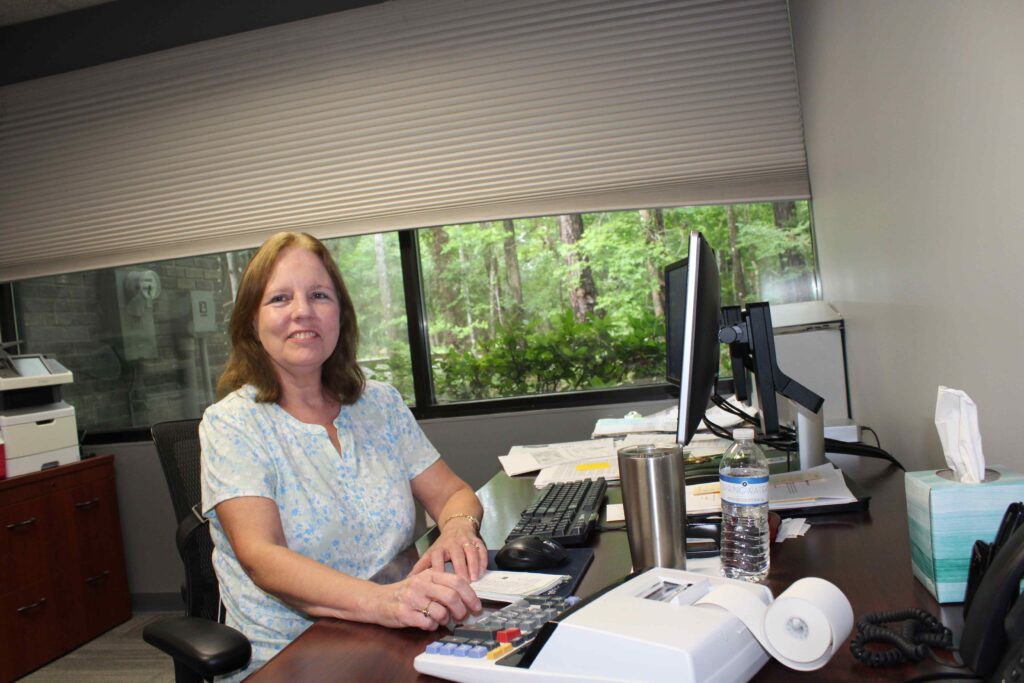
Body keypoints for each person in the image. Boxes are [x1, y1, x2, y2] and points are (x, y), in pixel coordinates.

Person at [200, 231, 487, 680]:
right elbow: (262, 556)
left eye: (319, 295)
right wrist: (384, 602)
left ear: (340, 314)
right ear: (251, 321)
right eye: (279, 298)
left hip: (402, 632)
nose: (302, 311)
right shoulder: (231, 424)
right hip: (292, 659)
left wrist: (456, 530)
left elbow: (454, 493)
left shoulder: (380, 405)